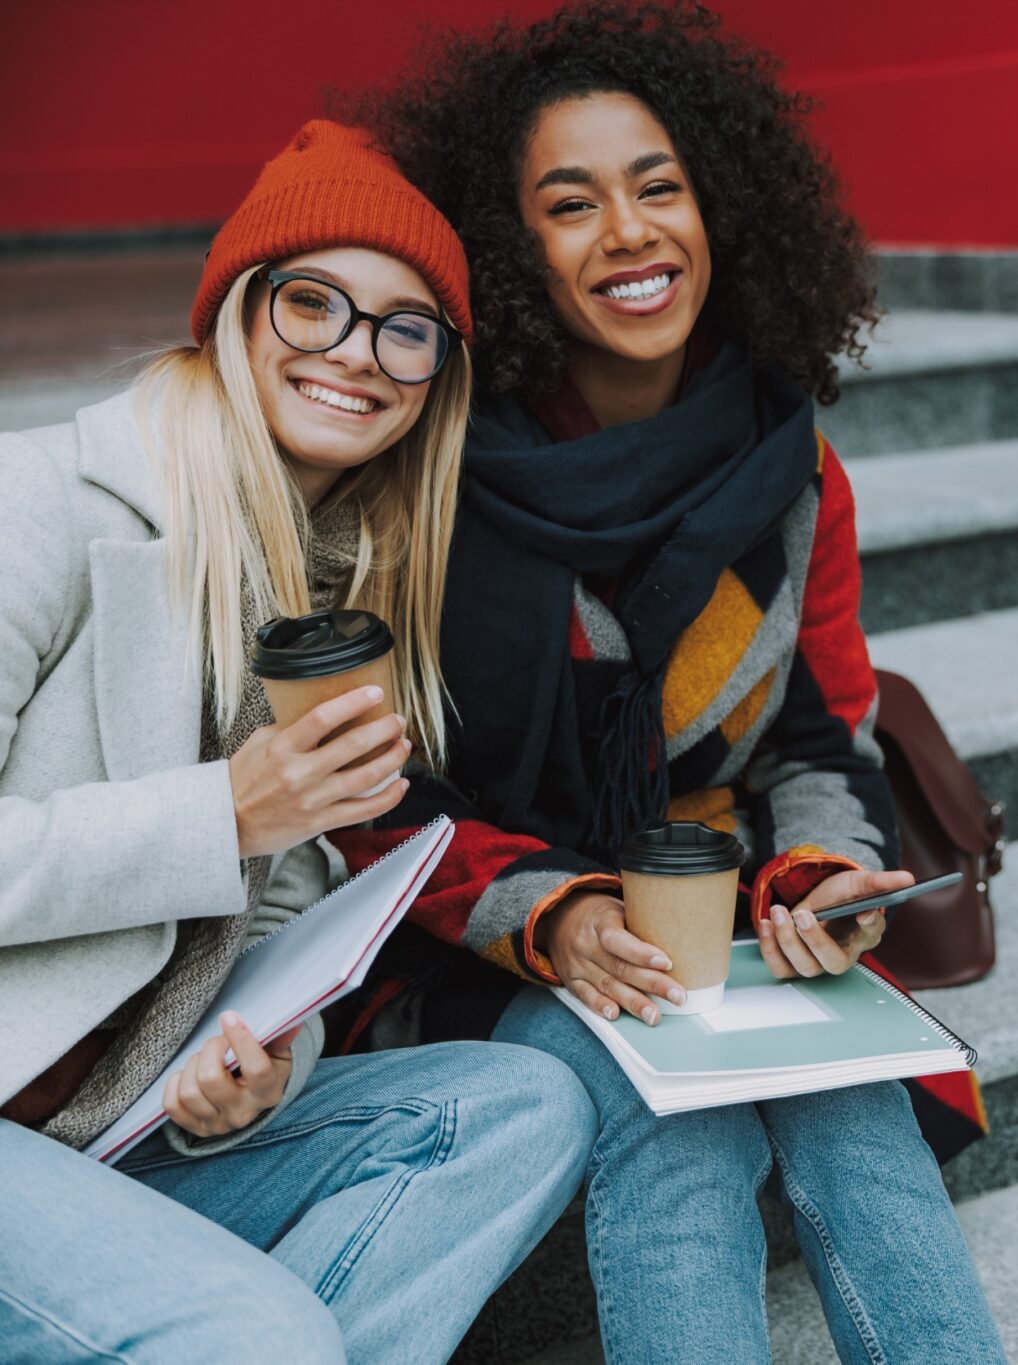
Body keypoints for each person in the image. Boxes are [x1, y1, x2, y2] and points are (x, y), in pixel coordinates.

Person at [327, 4, 1007, 1361]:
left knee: (850, 1096)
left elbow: (821, 736)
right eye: (570, 205)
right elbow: (376, 804)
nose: (630, 234)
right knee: (675, 1122)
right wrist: (560, 919)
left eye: (660, 188)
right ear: (512, 251)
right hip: (490, 936)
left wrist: (821, 876)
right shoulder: (422, 482)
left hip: (719, 905)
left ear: (720, 208)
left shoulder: (793, 468)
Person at [0, 121, 598, 1365]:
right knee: (261, 1336)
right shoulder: (41, 502)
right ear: (235, 314)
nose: (355, 354)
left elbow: (284, 914)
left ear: (437, 375)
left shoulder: (336, 591)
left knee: (520, 1104)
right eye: (312, 302)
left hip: (122, 1123)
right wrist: (224, 813)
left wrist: (265, 1061)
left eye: (404, 326)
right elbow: (238, 832)